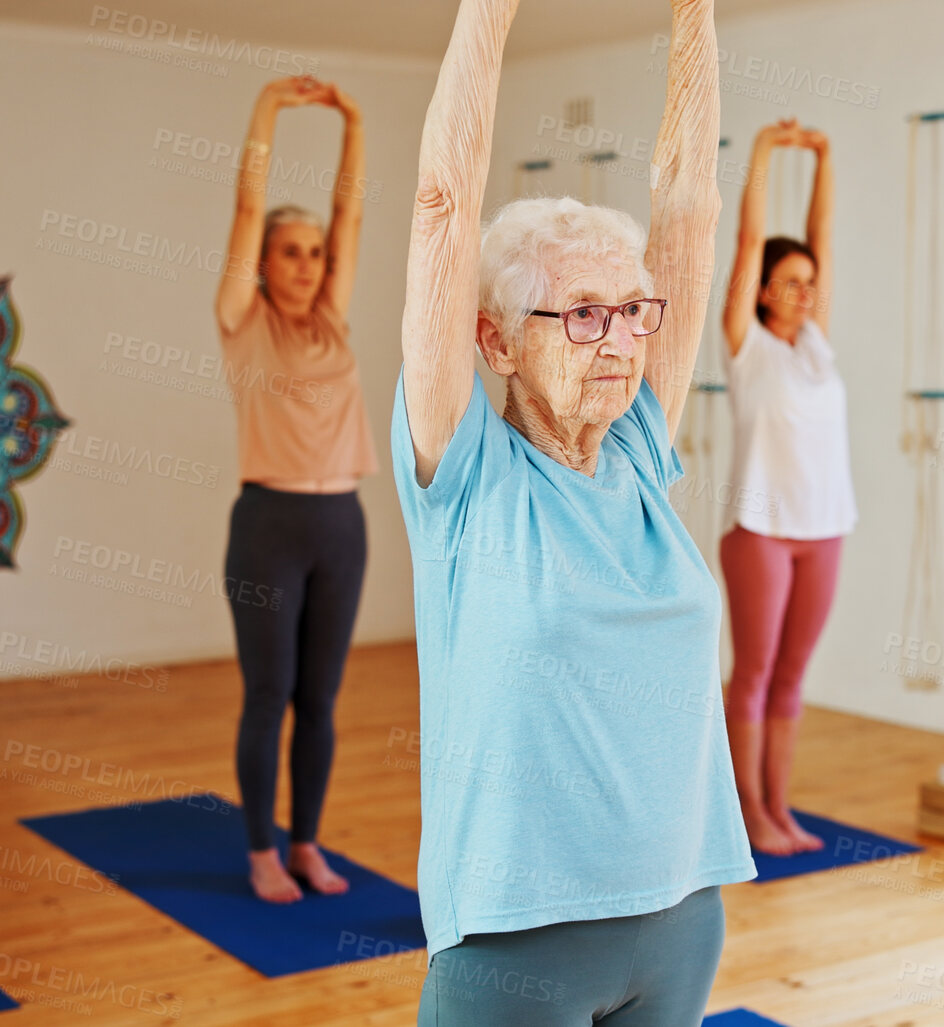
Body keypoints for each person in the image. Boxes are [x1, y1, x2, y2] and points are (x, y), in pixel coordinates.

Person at [391, 0, 751, 1022]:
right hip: (513, 943)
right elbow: (441, 202)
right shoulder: (467, 477)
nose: (620, 342)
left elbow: (688, 209)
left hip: (682, 921)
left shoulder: (636, 449)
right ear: (496, 343)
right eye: (582, 314)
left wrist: (695, 12)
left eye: (631, 312)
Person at [214, 75, 377, 903]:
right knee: (268, 692)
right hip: (270, 523)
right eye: (291, 251)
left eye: (315, 254)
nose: (308, 264)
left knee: (319, 698)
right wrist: (268, 108)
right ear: (264, 263)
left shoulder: (333, 319)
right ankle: (259, 851)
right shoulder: (244, 322)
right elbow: (248, 209)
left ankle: (306, 841)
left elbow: (349, 216)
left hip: (341, 522)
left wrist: (352, 120)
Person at [718, 118, 853, 856]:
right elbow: (746, 244)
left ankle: (778, 804)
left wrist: (825, 156)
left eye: (809, 284)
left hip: (824, 527)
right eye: (791, 283)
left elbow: (822, 238)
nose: (805, 292)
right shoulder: (748, 347)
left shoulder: (814, 344)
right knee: (756, 672)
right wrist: (764, 152)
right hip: (760, 530)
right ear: (763, 291)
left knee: (793, 678)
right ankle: (743, 812)